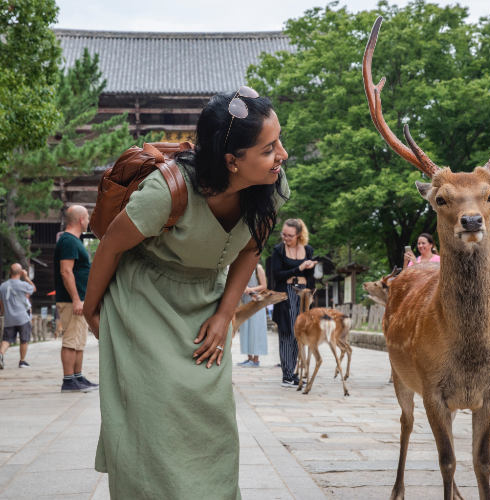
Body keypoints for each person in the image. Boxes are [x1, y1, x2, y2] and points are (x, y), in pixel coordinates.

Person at [82, 86, 289, 500]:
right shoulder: (168, 190)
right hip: (145, 297)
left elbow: (251, 247)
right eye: (268, 149)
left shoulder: (271, 187)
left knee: (210, 417)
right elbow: (110, 246)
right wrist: (91, 311)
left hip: (205, 299)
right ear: (232, 161)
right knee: (153, 415)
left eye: (279, 142)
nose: (282, 155)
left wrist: (225, 313)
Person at [54, 205, 98, 393]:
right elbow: (66, 271)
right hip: (73, 301)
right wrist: (76, 300)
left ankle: (77, 376)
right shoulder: (69, 241)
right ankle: (68, 380)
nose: (88, 221)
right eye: (87, 218)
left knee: (79, 341)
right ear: (81, 220)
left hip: (79, 300)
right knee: (71, 341)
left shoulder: (74, 241)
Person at [271, 218, 316, 387]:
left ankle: (294, 372)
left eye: (289, 235)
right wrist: (299, 269)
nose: (285, 238)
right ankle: (287, 375)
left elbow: (310, 277)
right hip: (285, 293)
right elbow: (277, 275)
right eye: (284, 234)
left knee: (299, 333)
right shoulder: (278, 250)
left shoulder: (308, 250)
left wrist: (310, 267)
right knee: (286, 333)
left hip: (303, 294)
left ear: (298, 235)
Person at [0, 264, 36, 369]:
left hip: (9, 318)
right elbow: (33, 289)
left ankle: (1, 354)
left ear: (10, 272)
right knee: (24, 340)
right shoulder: (23, 284)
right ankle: (22, 361)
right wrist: (26, 277)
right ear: (21, 272)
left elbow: (0, 302)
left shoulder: (3, 286)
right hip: (22, 317)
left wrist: (5, 313)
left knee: (7, 339)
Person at [237, 262, 268, 367]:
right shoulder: (241, 267)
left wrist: (250, 289)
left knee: (256, 332)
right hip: (245, 304)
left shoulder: (258, 267)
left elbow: (264, 286)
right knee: (246, 332)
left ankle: (255, 360)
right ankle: (249, 358)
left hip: (257, 305)